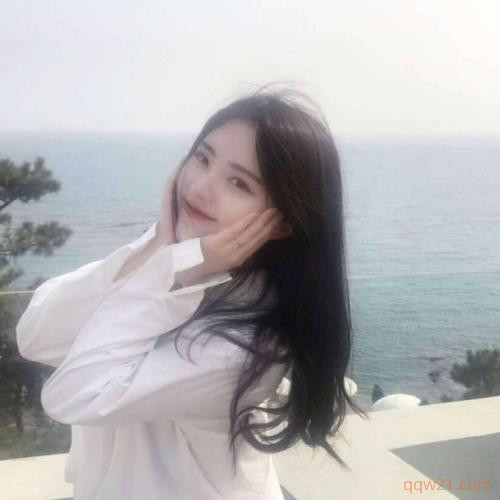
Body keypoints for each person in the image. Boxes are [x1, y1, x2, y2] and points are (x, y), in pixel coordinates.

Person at [16, 84, 367, 499]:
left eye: (238, 183)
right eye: (202, 158)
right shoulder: (173, 252)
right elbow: (35, 336)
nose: (199, 187)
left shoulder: (251, 344)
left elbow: (72, 395)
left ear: (283, 223)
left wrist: (169, 267)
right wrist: (156, 249)